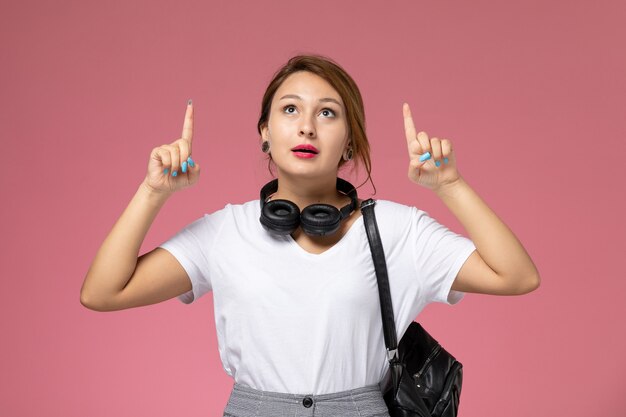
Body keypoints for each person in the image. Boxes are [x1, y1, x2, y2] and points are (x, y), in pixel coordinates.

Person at [80, 55, 540, 417]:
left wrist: (450, 187)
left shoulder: (398, 230)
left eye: (327, 112)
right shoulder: (226, 231)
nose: (306, 125)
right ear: (266, 132)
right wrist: (152, 192)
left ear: (350, 142)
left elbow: (517, 275)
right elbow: (103, 291)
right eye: (290, 109)